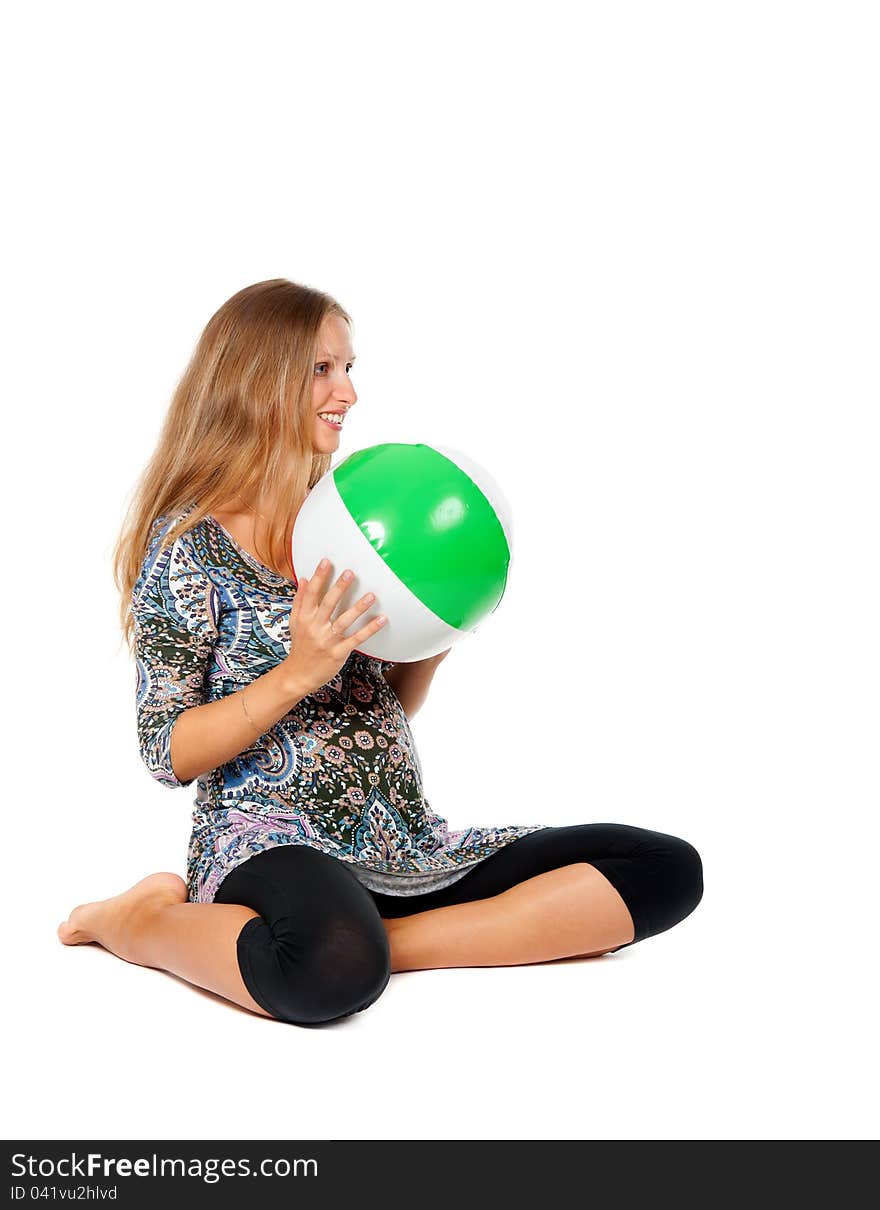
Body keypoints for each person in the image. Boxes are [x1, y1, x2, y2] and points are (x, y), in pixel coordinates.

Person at [57, 278, 704, 1026]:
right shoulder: (188, 548)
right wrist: (297, 673)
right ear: (257, 380)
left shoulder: (348, 519)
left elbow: (386, 705)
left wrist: (436, 631)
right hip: (266, 841)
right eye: (322, 369)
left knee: (664, 868)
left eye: (350, 368)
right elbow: (166, 750)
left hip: (402, 839)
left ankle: (388, 938)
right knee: (327, 973)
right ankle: (141, 922)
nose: (348, 393)